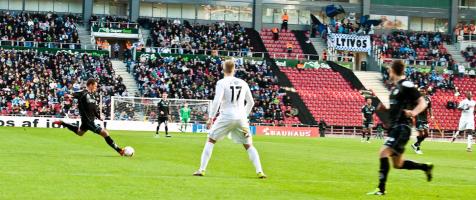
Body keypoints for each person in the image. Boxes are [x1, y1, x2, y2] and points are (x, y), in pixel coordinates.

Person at [367, 61, 433, 196]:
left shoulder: (406, 85)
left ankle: (381, 189)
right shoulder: (395, 89)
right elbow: (397, 109)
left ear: (393, 70)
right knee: (398, 164)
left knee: (383, 153)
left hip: (402, 127)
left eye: (389, 70)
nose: (388, 73)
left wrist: (413, 113)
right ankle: (425, 167)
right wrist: (386, 110)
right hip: (395, 127)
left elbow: (423, 102)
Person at [193, 60, 266, 178]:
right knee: (248, 145)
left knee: (211, 140)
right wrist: (244, 116)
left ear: (223, 69)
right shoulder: (243, 83)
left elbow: (217, 101)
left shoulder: (221, 82)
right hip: (241, 118)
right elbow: (251, 102)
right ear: (234, 69)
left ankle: (202, 169)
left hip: (226, 115)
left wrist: (211, 118)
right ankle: (260, 171)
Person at [53, 79, 125, 156]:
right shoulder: (82, 93)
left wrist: (98, 117)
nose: (96, 87)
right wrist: (68, 96)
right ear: (90, 85)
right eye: (95, 86)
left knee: (80, 133)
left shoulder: (93, 96)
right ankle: (119, 150)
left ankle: (63, 123)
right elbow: (73, 95)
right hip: (88, 121)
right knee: (105, 133)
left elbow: (94, 109)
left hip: (88, 120)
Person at [411, 88, 433, 154]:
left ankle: (415, 144)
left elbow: (430, 108)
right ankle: (417, 149)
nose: (421, 92)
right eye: (420, 91)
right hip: (418, 117)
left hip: (425, 118)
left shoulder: (428, 99)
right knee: (420, 134)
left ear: (425, 91)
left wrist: (431, 115)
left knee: (426, 134)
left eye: (423, 91)